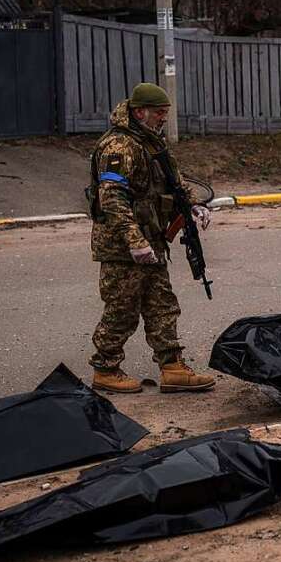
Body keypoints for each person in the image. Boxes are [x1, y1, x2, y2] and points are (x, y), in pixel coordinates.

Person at [87, 82, 216, 394]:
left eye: (166, 114)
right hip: (122, 246)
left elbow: (174, 180)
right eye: (159, 113)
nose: (163, 119)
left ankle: (172, 367)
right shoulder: (119, 147)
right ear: (139, 111)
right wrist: (135, 241)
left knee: (162, 304)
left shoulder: (151, 142)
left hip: (152, 239)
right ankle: (105, 369)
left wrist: (194, 204)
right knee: (122, 308)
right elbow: (112, 198)